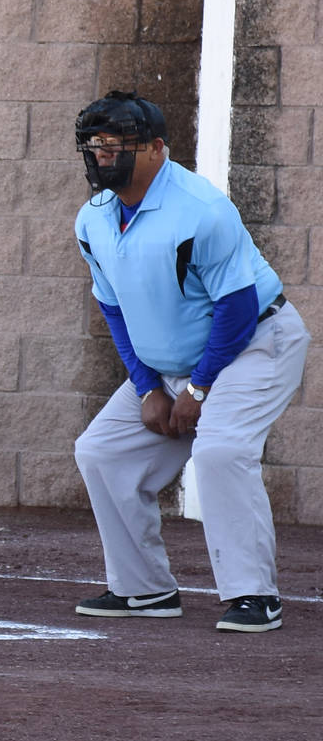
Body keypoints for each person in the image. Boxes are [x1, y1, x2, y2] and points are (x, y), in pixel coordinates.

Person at [72, 91, 310, 633]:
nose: (103, 157)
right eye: (95, 146)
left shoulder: (201, 210)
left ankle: (254, 595)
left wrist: (198, 390)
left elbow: (237, 306)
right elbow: (113, 308)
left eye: (115, 146)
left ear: (157, 148)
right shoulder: (92, 218)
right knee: (101, 450)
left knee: (223, 448)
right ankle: (144, 590)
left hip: (254, 343)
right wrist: (146, 386)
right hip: (170, 364)